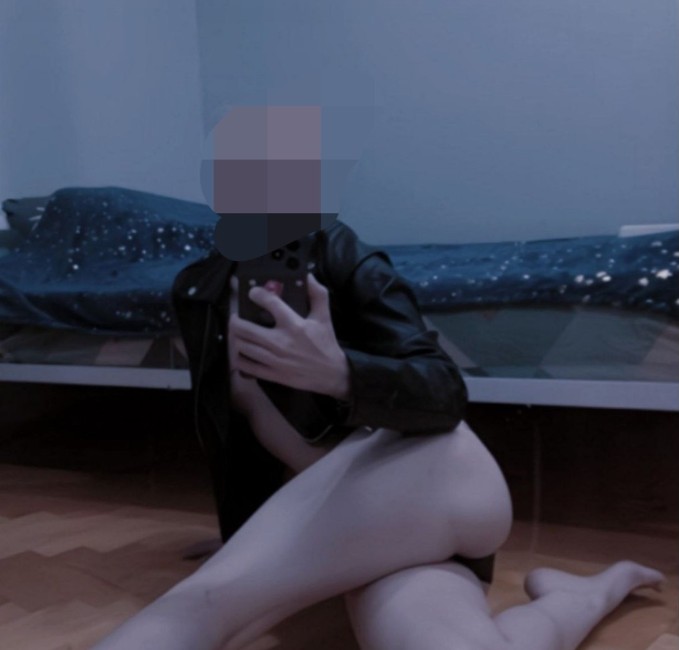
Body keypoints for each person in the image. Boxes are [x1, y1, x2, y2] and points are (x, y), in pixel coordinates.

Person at [91, 219, 664, 650]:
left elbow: (445, 391)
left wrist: (341, 374)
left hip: (432, 472)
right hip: (373, 528)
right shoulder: (199, 289)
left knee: (196, 608)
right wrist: (245, 534)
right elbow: (237, 440)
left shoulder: (343, 256)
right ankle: (582, 594)